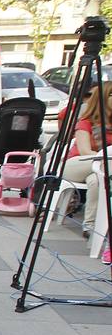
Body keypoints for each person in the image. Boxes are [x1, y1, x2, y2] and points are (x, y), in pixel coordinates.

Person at [60, 82, 111, 237]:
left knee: (96, 181)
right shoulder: (86, 122)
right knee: (104, 167)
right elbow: (84, 151)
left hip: (100, 168)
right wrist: (106, 159)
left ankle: (90, 227)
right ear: (102, 99)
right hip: (77, 165)